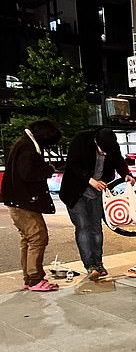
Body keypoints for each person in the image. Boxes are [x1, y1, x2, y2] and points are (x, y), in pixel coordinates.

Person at [59, 127, 134, 279]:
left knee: (96, 227)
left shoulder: (111, 145)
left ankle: (99, 263)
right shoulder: (81, 140)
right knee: (83, 227)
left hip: (98, 193)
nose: (104, 154)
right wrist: (90, 180)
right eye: (102, 151)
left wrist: (127, 174)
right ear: (95, 141)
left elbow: (118, 160)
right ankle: (89, 265)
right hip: (76, 192)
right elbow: (73, 165)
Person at [2, 119, 62, 291]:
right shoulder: (28, 149)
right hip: (24, 203)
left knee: (27, 239)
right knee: (38, 237)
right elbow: (28, 173)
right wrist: (48, 169)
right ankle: (35, 279)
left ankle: (29, 278)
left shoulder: (23, 144)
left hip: (18, 201)